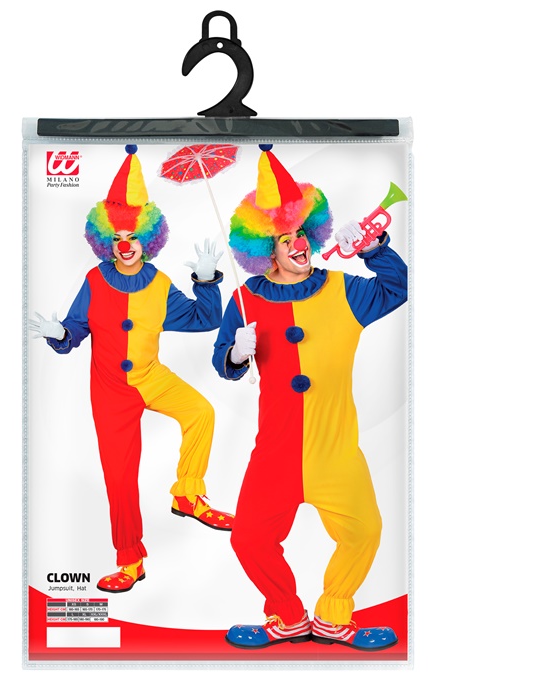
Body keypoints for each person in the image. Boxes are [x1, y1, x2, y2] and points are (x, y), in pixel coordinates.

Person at [212, 145, 407, 650]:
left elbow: (398, 288)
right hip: (275, 450)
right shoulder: (244, 299)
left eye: (302, 233)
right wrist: (235, 353)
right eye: (285, 239)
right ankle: (289, 616)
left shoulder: (345, 290)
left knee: (365, 530)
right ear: (265, 249)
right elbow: (223, 366)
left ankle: (333, 616)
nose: (298, 245)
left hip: (335, 449)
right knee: (249, 538)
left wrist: (373, 250)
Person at [31, 145, 233, 595]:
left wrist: (206, 281)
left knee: (201, 412)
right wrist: (59, 333)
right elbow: (75, 331)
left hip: (151, 377)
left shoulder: (159, 284)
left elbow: (204, 319)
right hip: (110, 391)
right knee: (120, 479)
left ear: (148, 239)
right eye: (118, 238)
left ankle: (188, 493)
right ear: (106, 241)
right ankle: (130, 560)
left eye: (133, 237)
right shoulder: (94, 280)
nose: (125, 246)